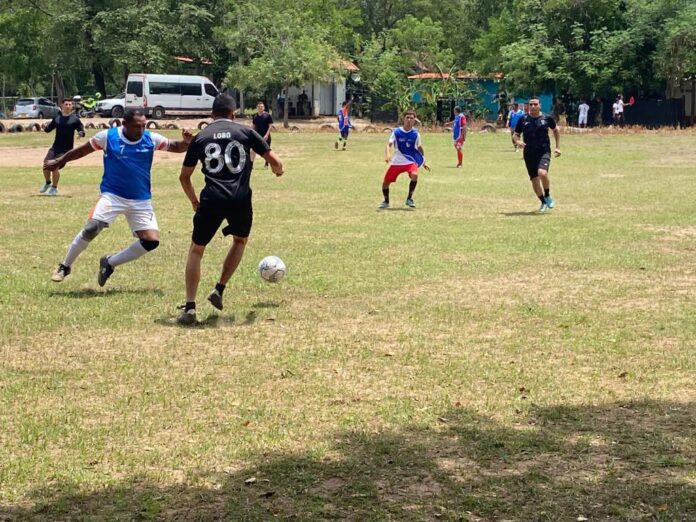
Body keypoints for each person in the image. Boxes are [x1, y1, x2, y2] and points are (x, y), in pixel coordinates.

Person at [45, 109, 192, 284]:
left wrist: (186, 142)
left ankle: (110, 262)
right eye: (137, 126)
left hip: (141, 199)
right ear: (125, 124)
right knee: (91, 228)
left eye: (144, 125)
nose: (141, 129)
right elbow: (81, 151)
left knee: (151, 241)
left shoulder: (150, 139)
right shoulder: (108, 137)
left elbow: (175, 147)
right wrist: (58, 161)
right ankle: (65, 266)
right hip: (112, 195)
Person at [177, 94, 284, 325]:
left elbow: (184, 177)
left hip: (211, 198)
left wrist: (194, 201)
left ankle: (190, 307)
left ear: (211, 114)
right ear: (233, 114)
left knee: (197, 250)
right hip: (240, 199)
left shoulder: (201, 137)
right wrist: (278, 170)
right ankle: (219, 288)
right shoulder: (246, 132)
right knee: (239, 241)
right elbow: (275, 161)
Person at [512, 96, 561, 213]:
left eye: (535, 104)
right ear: (528, 106)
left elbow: (556, 130)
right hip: (529, 153)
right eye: (531, 104)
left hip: (543, 151)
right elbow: (515, 134)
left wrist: (558, 147)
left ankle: (547, 195)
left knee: (542, 173)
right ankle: (543, 202)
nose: (533, 106)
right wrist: (518, 142)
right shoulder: (523, 119)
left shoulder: (547, 118)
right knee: (534, 180)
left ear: (540, 105)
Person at [379, 108, 430, 210]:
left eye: (412, 118)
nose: (409, 120)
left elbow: (419, 148)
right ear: (403, 118)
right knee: (385, 183)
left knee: (415, 175)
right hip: (396, 162)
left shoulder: (416, 134)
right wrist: (388, 154)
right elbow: (389, 144)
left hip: (410, 162)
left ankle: (409, 198)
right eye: (407, 117)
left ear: (414, 120)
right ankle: (386, 201)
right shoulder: (396, 132)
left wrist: (424, 161)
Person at [40, 98, 85, 196]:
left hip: (66, 150)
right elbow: (48, 129)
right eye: (66, 104)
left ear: (72, 106)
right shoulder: (57, 118)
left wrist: (80, 134)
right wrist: (44, 127)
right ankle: (48, 182)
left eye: (70, 104)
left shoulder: (75, 119)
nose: (68, 106)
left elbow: (81, 130)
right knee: (45, 165)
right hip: (55, 147)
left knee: (54, 165)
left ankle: (54, 188)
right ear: (62, 106)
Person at [252, 101, 273, 168]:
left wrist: (267, 135)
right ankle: (251, 164)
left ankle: (266, 164)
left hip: (265, 136)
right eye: (259, 107)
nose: (260, 108)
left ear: (263, 107)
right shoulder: (255, 116)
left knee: (266, 151)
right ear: (257, 108)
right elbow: (254, 126)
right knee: (253, 149)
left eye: (261, 107)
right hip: (257, 136)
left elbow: (270, 126)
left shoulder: (267, 115)